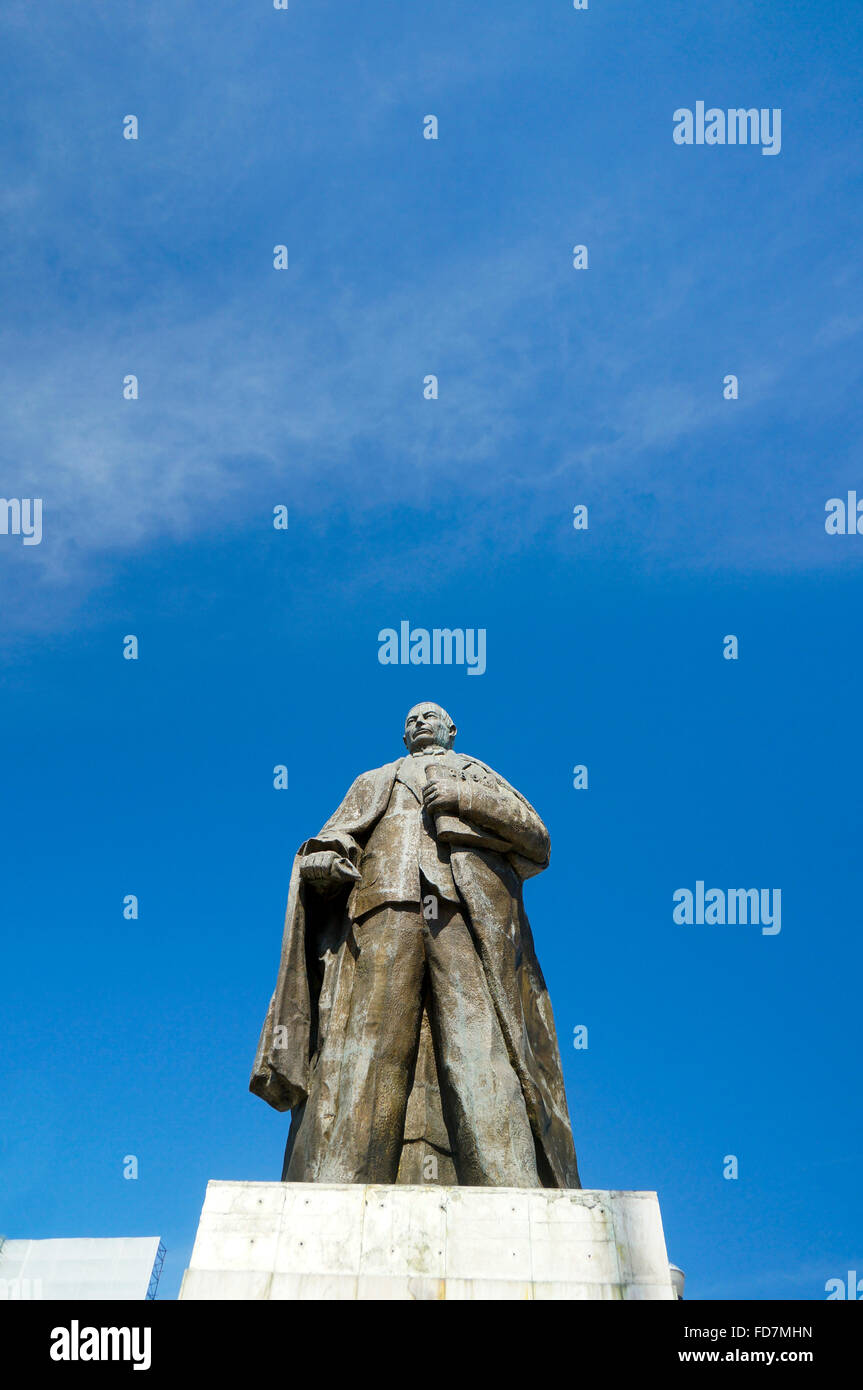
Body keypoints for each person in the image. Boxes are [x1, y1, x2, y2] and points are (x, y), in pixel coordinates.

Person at [250, 702, 580, 1189]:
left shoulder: (477, 773)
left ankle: (509, 1187)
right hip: (385, 905)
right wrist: (322, 864)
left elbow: (538, 840)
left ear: (451, 729)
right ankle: (344, 1184)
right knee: (370, 1050)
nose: (420, 722)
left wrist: (463, 796)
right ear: (403, 735)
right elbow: (332, 839)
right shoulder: (373, 780)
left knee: (479, 1050)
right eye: (411, 719)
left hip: (461, 912)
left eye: (431, 716)